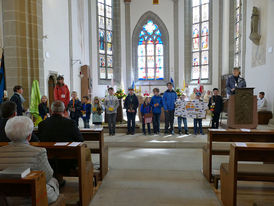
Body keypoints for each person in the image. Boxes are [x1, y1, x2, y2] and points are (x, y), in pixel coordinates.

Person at [0, 116, 59, 204]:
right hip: (33, 196)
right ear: (29, 136)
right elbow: (47, 176)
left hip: (6, 198)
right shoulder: (39, 152)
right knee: (53, 181)